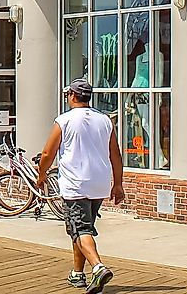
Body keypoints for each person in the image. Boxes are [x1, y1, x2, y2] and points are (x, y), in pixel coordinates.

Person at [37, 79, 125, 293]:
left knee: (81, 229)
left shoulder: (64, 120)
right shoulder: (104, 120)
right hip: (99, 184)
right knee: (80, 229)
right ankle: (78, 274)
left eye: (68, 94)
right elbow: (115, 154)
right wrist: (118, 184)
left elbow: (48, 153)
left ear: (73, 96)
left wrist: (41, 176)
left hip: (75, 184)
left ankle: (98, 267)